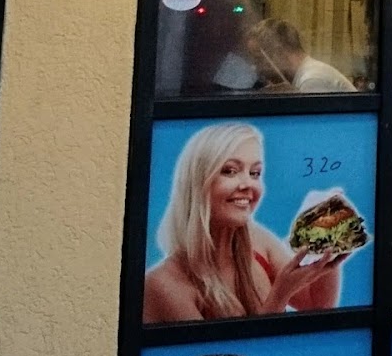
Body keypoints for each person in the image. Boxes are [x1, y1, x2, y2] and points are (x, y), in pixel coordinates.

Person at [142, 121, 346, 322]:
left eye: (254, 173)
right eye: (230, 171)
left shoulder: (259, 242)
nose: (248, 184)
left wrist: (328, 240)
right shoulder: (162, 285)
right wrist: (280, 295)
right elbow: (242, 347)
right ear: (197, 182)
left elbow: (316, 306)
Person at [250, 17, 356, 94]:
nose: (256, 68)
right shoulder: (308, 76)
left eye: (259, 59)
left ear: (278, 52)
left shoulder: (312, 80)